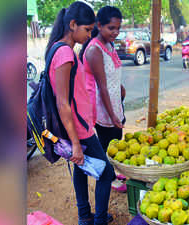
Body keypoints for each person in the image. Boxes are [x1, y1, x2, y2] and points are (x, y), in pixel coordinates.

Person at [45, 2, 115, 225]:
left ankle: (85, 216)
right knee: (106, 173)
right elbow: (63, 103)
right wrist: (75, 142)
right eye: (87, 29)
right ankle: (99, 220)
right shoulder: (65, 53)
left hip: (75, 126)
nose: (89, 34)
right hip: (78, 129)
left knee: (81, 166)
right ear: (72, 24)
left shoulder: (56, 48)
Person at [80, 6, 127, 193]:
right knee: (107, 145)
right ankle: (110, 178)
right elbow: (102, 88)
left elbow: (113, 75)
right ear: (99, 25)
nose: (115, 32)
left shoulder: (109, 45)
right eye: (111, 28)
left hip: (115, 102)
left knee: (116, 140)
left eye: (118, 28)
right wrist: (113, 116)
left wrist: (121, 89)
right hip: (103, 108)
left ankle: (113, 173)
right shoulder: (94, 51)